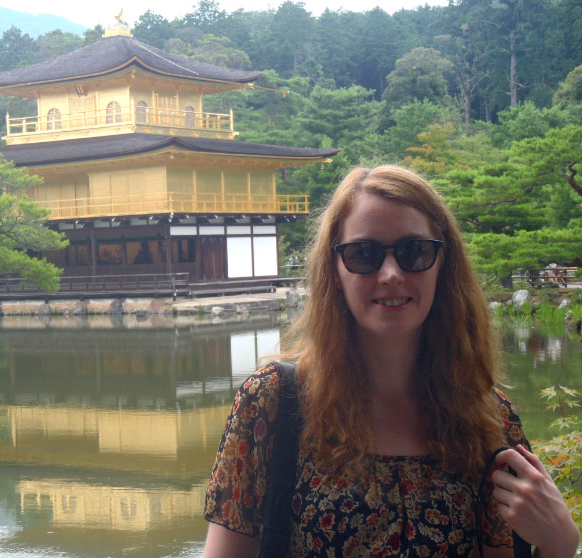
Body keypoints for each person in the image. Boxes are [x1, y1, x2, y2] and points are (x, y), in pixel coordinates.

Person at [203, 166, 578, 557]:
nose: (391, 274)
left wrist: (560, 544)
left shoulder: (488, 419)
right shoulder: (273, 404)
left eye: (414, 251)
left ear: (442, 264)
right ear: (334, 270)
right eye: (363, 254)